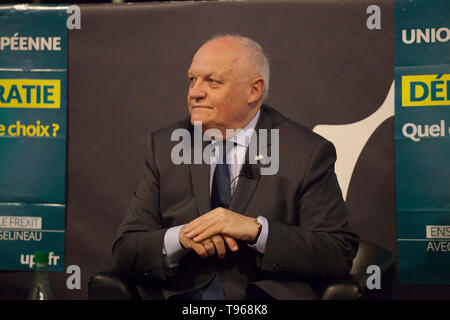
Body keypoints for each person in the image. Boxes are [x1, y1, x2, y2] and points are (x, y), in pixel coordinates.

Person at [112, 34, 359, 300]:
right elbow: (126, 250)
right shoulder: (164, 146)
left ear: (254, 90)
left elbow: (337, 253)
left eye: (212, 81)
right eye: (192, 80)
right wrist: (181, 238)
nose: (195, 92)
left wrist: (258, 231)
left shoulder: (306, 152)